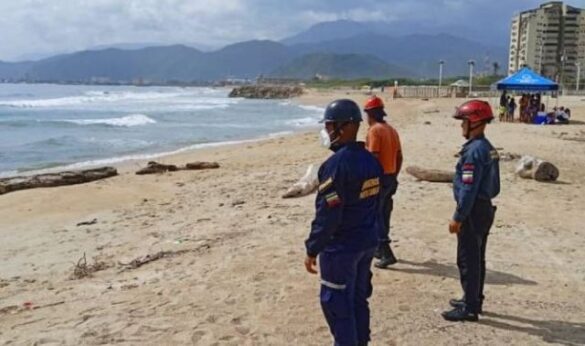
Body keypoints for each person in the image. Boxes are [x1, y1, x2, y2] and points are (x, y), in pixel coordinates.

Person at [305, 99, 383, 345]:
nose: (327, 132)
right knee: (358, 299)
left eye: (329, 126)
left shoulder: (335, 166)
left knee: (337, 304)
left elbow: (328, 214)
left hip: (342, 249)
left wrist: (312, 248)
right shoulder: (370, 161)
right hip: (367, 241)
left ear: (346, 127)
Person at [442, 100, 500, 322]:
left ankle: (470, 307)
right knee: (478, 257)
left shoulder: (474, 152)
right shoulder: (487, 147)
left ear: (474, 123)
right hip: (485, 209)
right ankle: (474, 297)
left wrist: (458, 216)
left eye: (463, 122)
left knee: (468, 259)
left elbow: (468, 188)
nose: (461, 127)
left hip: (474, 210)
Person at [363, 96, 403, 268]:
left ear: (369, 114)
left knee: (376, 215)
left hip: (379, 177)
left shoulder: (374, 131)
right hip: (391, 175)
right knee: (385, 213)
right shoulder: (391, 130)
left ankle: (386, 253)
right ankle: (379, 248)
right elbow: (400, 156)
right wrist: (394, 175)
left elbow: (373, 157)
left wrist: (369, 179)